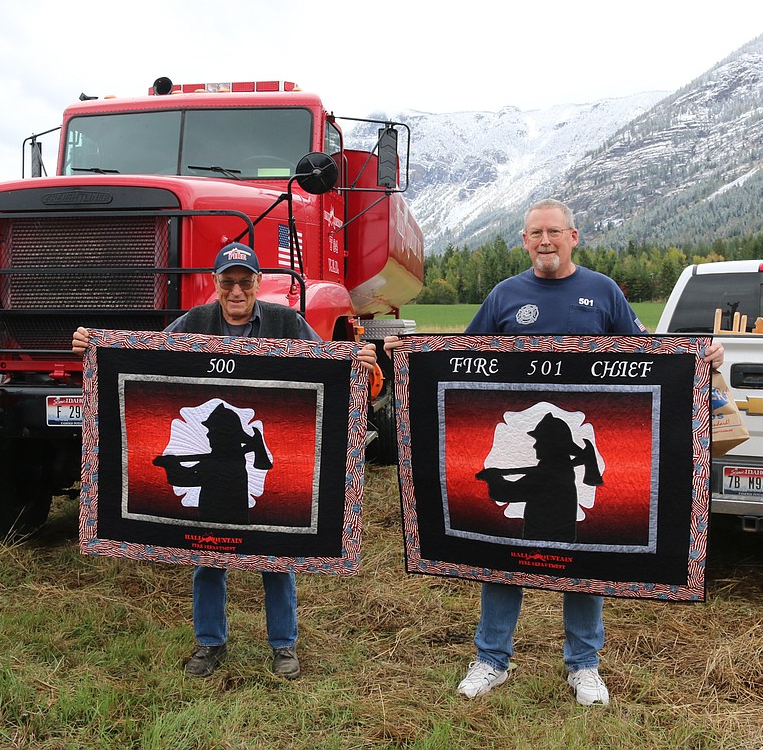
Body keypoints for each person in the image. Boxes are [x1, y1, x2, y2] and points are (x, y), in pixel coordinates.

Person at [386, 198, 724, 705]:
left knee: (582, 559)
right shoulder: (505, 296)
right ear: (524, 241)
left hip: (577, 445)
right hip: (523, 437)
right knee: (502, 552)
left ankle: (584, 665)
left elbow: (649, 358)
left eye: (554, 232)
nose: (545, 241)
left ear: (573, 237)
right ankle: (491, 659)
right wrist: (411, 356)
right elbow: (461, 359)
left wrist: (701, 358)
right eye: (535, 233)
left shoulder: (603, 292)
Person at [73, 241, 379, 680]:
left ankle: (283, 644)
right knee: (206, 555)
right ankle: (210, 642)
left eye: (245, 282)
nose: (236, 291)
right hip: (217, 490)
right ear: (216, 284)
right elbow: (139, 360)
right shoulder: (193, 322)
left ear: (258, 283)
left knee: (277, 553)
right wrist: (92, 348)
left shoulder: (286, 322)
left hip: (243, 485)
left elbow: (330, 368)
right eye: (227, 282)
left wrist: (359, 360)